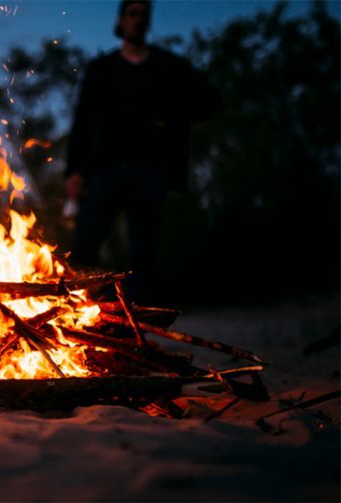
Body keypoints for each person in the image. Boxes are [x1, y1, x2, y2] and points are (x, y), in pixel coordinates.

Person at [65, 0, 221, 301]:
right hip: (104, 171)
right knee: (85, 246)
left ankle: (135, 325)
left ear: (149, 23)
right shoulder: (102, 69)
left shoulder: (168, 66)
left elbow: (211, 100)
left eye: (143, 15)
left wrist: (174, 119)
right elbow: (82, 122)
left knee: (143, 254)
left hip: (149, 172)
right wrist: (74, 171)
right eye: (132, 13)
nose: (137, 20)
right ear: (121, 21)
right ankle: (70, 310)